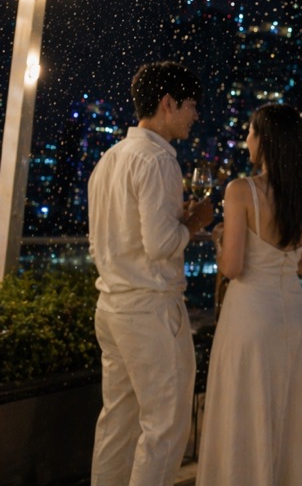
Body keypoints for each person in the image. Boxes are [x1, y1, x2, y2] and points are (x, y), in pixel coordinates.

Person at [89, 61, 213, 486]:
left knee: (117, 424)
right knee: (164, 428)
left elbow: (111, 239)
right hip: (150, 311)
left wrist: (172, 220)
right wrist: (196, 221)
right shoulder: (159, 160)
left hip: (111, 306)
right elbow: (160, 246)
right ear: (167, 104)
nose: (195, 115)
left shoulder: (109, 160)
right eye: (191, 106)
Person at [196, 103, 302, 486]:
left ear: (264, 140)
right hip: (291, 314)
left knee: (241, 406)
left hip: (250, 312)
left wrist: (218, 242)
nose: (246, 139)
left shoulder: (241, 191)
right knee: (284, 408)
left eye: (251, 132)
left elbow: (232, 268)